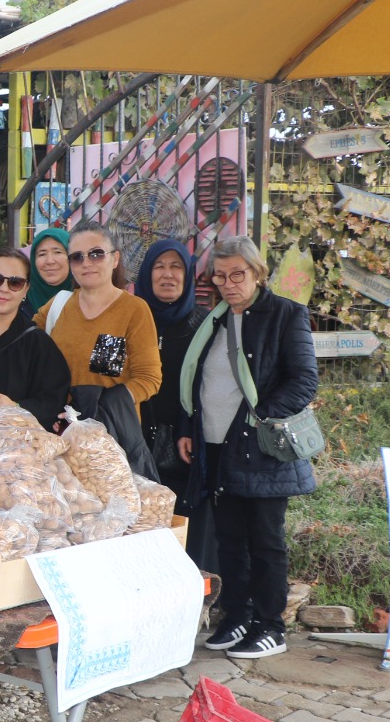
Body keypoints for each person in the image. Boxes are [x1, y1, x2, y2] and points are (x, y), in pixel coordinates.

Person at [179, 236, 317, 661]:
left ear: (258, 272)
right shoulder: (213, 320)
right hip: (216, 446)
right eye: (219, 276)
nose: (228, 284)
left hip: (261, 448)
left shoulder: (285, 315)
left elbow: (304, 381)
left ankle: (270, 625)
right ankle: (237, 615)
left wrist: (260, 416)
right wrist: (189, 426)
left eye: (238, 274)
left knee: (265, 540)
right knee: (230, 539)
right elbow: (198, 378)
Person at [34, 223, 162, 470]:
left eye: (96, 254)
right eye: (77, 257)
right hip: (59, 440)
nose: (86, 263)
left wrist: (99, 408)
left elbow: (149, 379)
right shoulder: (58, 305)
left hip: (111, 443)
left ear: (114, 259)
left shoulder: (134, 310)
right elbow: (22, 346)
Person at [136, 238, 215, 569]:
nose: (167, 275)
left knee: (189, 526)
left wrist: (190, 425)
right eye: (159, 266)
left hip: (187, 444)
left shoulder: (206, 323)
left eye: (176, 266)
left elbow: (212, 383)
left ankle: (196, 594)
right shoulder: (131, 318)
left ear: (188, 274)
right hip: (136, 441)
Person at [0, 247, 71, 432]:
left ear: (26, 289)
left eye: (15, 283)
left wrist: (14, 408)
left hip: (8, 453)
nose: (4, 289)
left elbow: (52, 403)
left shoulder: (38, 345)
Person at [26, 227, 74, 314]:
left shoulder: (87, 298)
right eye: (42, 254)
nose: (49, 261)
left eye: (58, 252)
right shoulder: (19, 298)